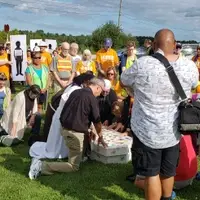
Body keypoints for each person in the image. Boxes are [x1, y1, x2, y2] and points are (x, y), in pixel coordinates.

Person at [121, 29, 199, 200]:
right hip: (173, 130)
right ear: (175, 43)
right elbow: (193, 85)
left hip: (147, 130)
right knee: (168, 172)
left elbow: (124, 80)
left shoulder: (143, 63)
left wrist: (135, 91)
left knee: (151, 174)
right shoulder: (189, 65)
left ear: (154, 44)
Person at [28, 78, 107, 179]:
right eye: (101, 91)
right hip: (74, 133)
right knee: (73, 166)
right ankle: (41, 166)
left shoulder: (75, 91)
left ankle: (80, 156)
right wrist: (100, 136)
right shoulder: (91, 98)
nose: (100, 94)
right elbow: (97, 120)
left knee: (78, 154)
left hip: (65, 128)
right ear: (97, 87)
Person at [29, 73, 94, 159]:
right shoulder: (76, 89)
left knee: (59, 139)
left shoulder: (74, 87)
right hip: (63, 116)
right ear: (86, 82)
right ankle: (59, 152)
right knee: (57, 140)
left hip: (62, 115)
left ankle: (63, 152)